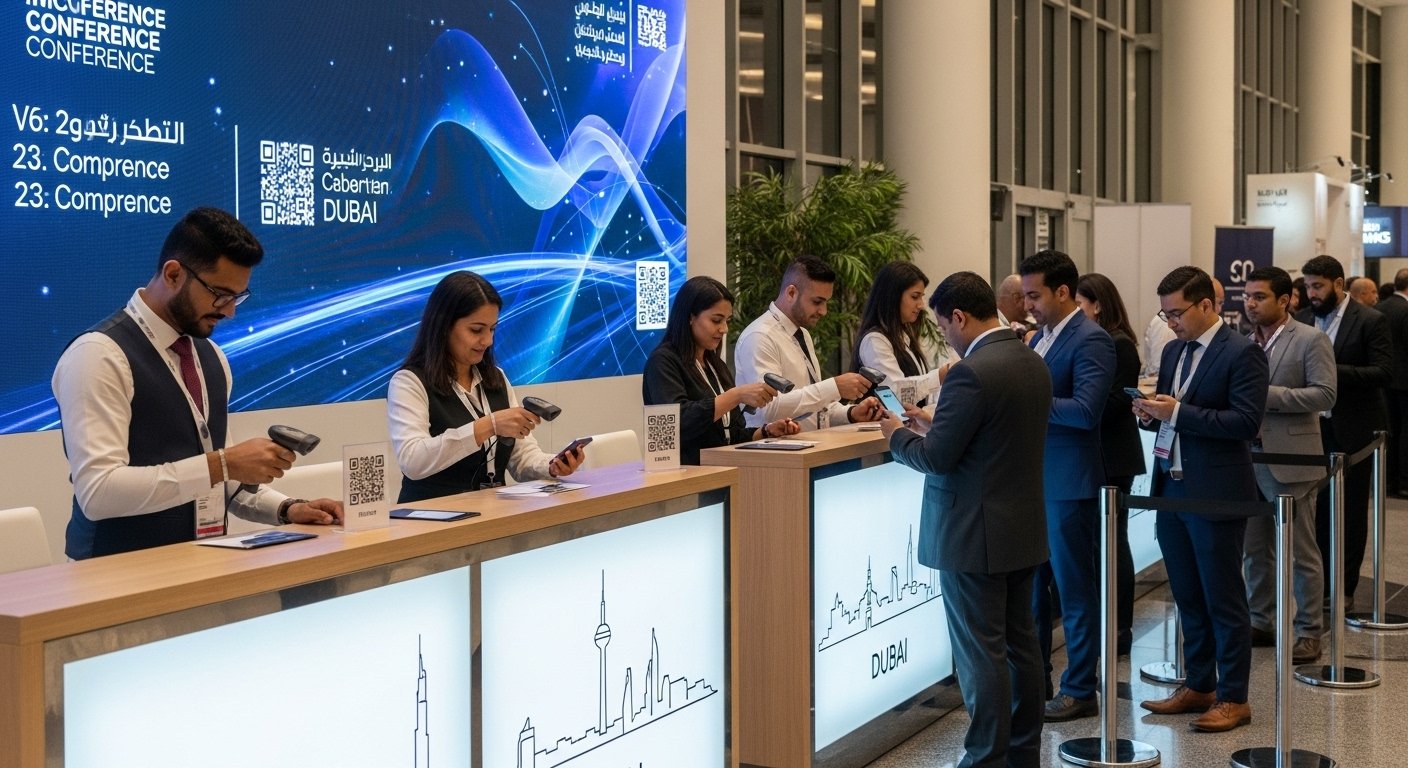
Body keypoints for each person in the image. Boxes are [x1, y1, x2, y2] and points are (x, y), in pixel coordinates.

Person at [54, 207, 343, 560]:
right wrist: (221, 464)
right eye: (220, 294)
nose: (230, 311)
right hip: (110, 576)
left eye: (238, 297)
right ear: (173, 274)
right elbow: (98, 492)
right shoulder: (98, 355)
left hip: (200, 567)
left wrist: (289, 509)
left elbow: (223, 484)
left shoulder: (211, 357)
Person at [879, 271, 1052, 768]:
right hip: (1021, 528)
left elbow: (936, 459)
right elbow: (995, 436)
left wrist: (895, 435)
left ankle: (984, 758)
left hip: (973, 535)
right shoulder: (1031, 360)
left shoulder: (971, 373)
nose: (946, 338)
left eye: (943, 327)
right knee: (1021, 646)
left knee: (981, 654)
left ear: (958, 317)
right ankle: (1021, 754)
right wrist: (938, 423)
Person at [1134, 266, 1268, 733]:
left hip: (1217, 493)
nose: (1170, 322)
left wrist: (1179, 413)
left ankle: (1234, 697)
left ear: (1207, 305)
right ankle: (1199, 684)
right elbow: (1172, 412)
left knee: (1223, 599)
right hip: (1171, 489)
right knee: (1187, 595)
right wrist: (1151, 414)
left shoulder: (1242, 353)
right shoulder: (1174, 350)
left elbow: (1245, 423)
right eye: (1165, 314)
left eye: (1176, 313)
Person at [388, 271, 585, 503]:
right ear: (443, 326)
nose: (488, 341)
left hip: (491, 513)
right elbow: (412, 461)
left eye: (492, 329)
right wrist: (487, 426)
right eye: (476, 330)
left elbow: (521, 458)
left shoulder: (496, 378)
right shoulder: (409, 382)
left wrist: (551, 467)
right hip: (430, 516)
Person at [1019, 250, 1115, 721]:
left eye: (1034, 296)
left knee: (1075, 592)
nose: (1027, 305)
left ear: (1062, 292)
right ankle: (1035, 681)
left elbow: (1085, 411)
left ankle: (1080, 687)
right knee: (1033, 592)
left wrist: (1025, 399)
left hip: (1070, 483)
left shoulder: (1092, 339)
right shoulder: (1041, 338)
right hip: (1035, 480)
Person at [1239, 266, 1335, 665]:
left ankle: (1309, 630)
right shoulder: (1245, 343)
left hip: (1290, 458)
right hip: (1247, 459)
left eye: (1259, 297)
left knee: (1300, 552)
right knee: (1254, 550)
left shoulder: (1310, 339)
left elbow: (1325, 395)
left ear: (1284, 300)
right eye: (1247, 296)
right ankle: (1261, 620)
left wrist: (1268, 395)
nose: (1250, 303)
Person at [1297, 255, 1392, 608]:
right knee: (1314, 510)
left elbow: (1383, 372)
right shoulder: (1303, 320)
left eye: (1318, 286)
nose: (1311, 293)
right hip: (1310, 428)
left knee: (1350, 511)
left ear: (1338, 284)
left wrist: (1330, 370)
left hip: (1353, 430)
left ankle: (1344, 587)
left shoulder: (1370, 320)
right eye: (1307, 286)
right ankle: (1317, 586)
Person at [642, 276, 800, 464]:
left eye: (727, 320)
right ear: (690, 317)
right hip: (683, 473)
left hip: (722, 468)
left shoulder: (715, 364)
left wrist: (766, 432)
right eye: (716, 320)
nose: (724, 329)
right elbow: (677, 423)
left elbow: (730, 434)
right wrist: (736, 395)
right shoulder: (663, 361)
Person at [1074, 272, 1147, 656]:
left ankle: (1119, 628)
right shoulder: (1100, 341)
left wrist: (1079, 405)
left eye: (1080, 304)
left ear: (1098, 305)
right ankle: (1109, 625)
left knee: (1112, 542)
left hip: (1113, 455)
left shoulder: (1117, 343)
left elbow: (1116, 401)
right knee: (1103, 542)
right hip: (1102, 454)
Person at [734, 255, 882, 431]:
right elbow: (768, 409)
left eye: (826, 302)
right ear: (791, 293)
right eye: (817, 302)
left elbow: (813, 409)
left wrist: (850, 413)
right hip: (770, 447)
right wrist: (834, 387)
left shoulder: (801, 334)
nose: (824, 311)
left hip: (808, 443)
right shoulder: (760, 336)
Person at [853, 261, 933, 403]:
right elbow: (893, 396)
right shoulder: (875, 340)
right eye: (915, 297)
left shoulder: (905, 335)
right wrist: (940, 376)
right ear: (893, 296)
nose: (921, 305)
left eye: (921, 297)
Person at [1376, 269, 1408, 498]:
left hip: (1384, 380)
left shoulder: (1379, 308)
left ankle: (1387, 481)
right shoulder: (1405, 310)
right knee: (1405, 432)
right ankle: (1404, 482)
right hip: (1405, 382)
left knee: (1390, 430)